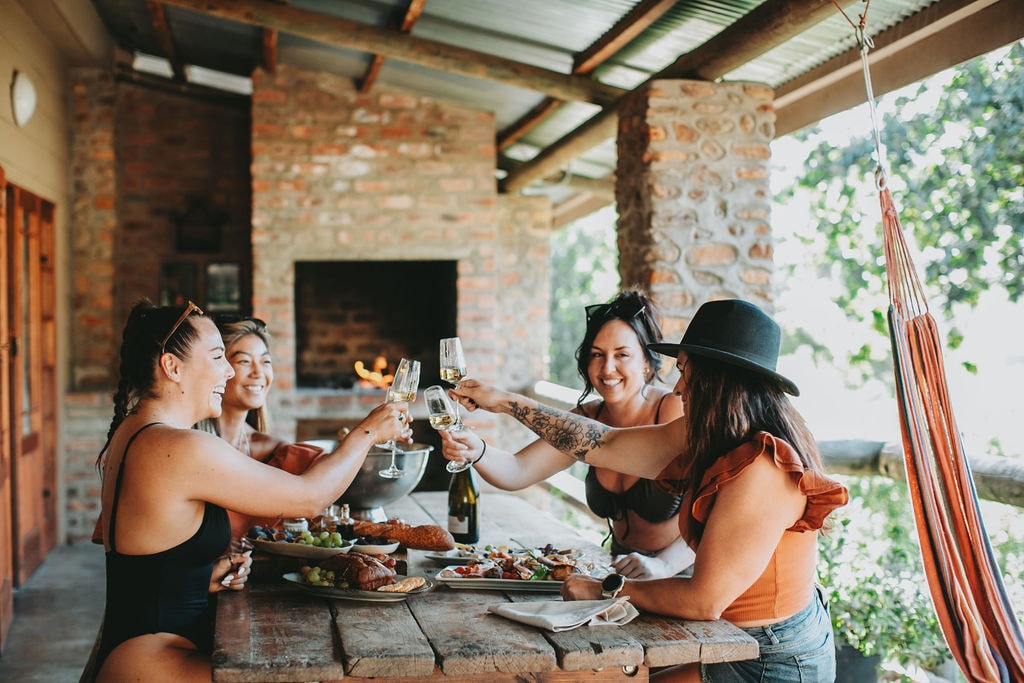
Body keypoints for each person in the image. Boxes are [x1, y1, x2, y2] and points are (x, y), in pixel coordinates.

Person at [450, 299, 849, 682]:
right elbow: (604, 444)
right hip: (725, 637)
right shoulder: (708, 434)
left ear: (717, 380)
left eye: (687, 373)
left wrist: (605, 589)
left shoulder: (764, 467)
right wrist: (505, 402)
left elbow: (702, 600)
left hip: (770, 655)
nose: (679, 389)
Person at [93, 300, 412, 682]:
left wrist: (198, 577)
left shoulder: (134, 432)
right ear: (172, 367)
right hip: (154, 664)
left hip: (133, 651)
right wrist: (369, 432)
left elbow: (142, 566)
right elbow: (308, 496)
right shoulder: (180, 446)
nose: (228, 371)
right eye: (217, 357)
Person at [440, 290, 694, 578]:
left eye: (622, 354)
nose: (607, 368)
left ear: (647, 361)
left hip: (679, 572)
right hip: (620, 569)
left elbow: (712, 511)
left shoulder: (674, 410)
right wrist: (477, 449)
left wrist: (663, 564)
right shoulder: (588, 417)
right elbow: (517, 471)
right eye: (597, 355)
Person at [196, 314, 338, 540]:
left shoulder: (276, 451)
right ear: (220, 368)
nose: (258, 373)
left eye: (266, 361)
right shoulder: (190, 446)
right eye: (244, 361)